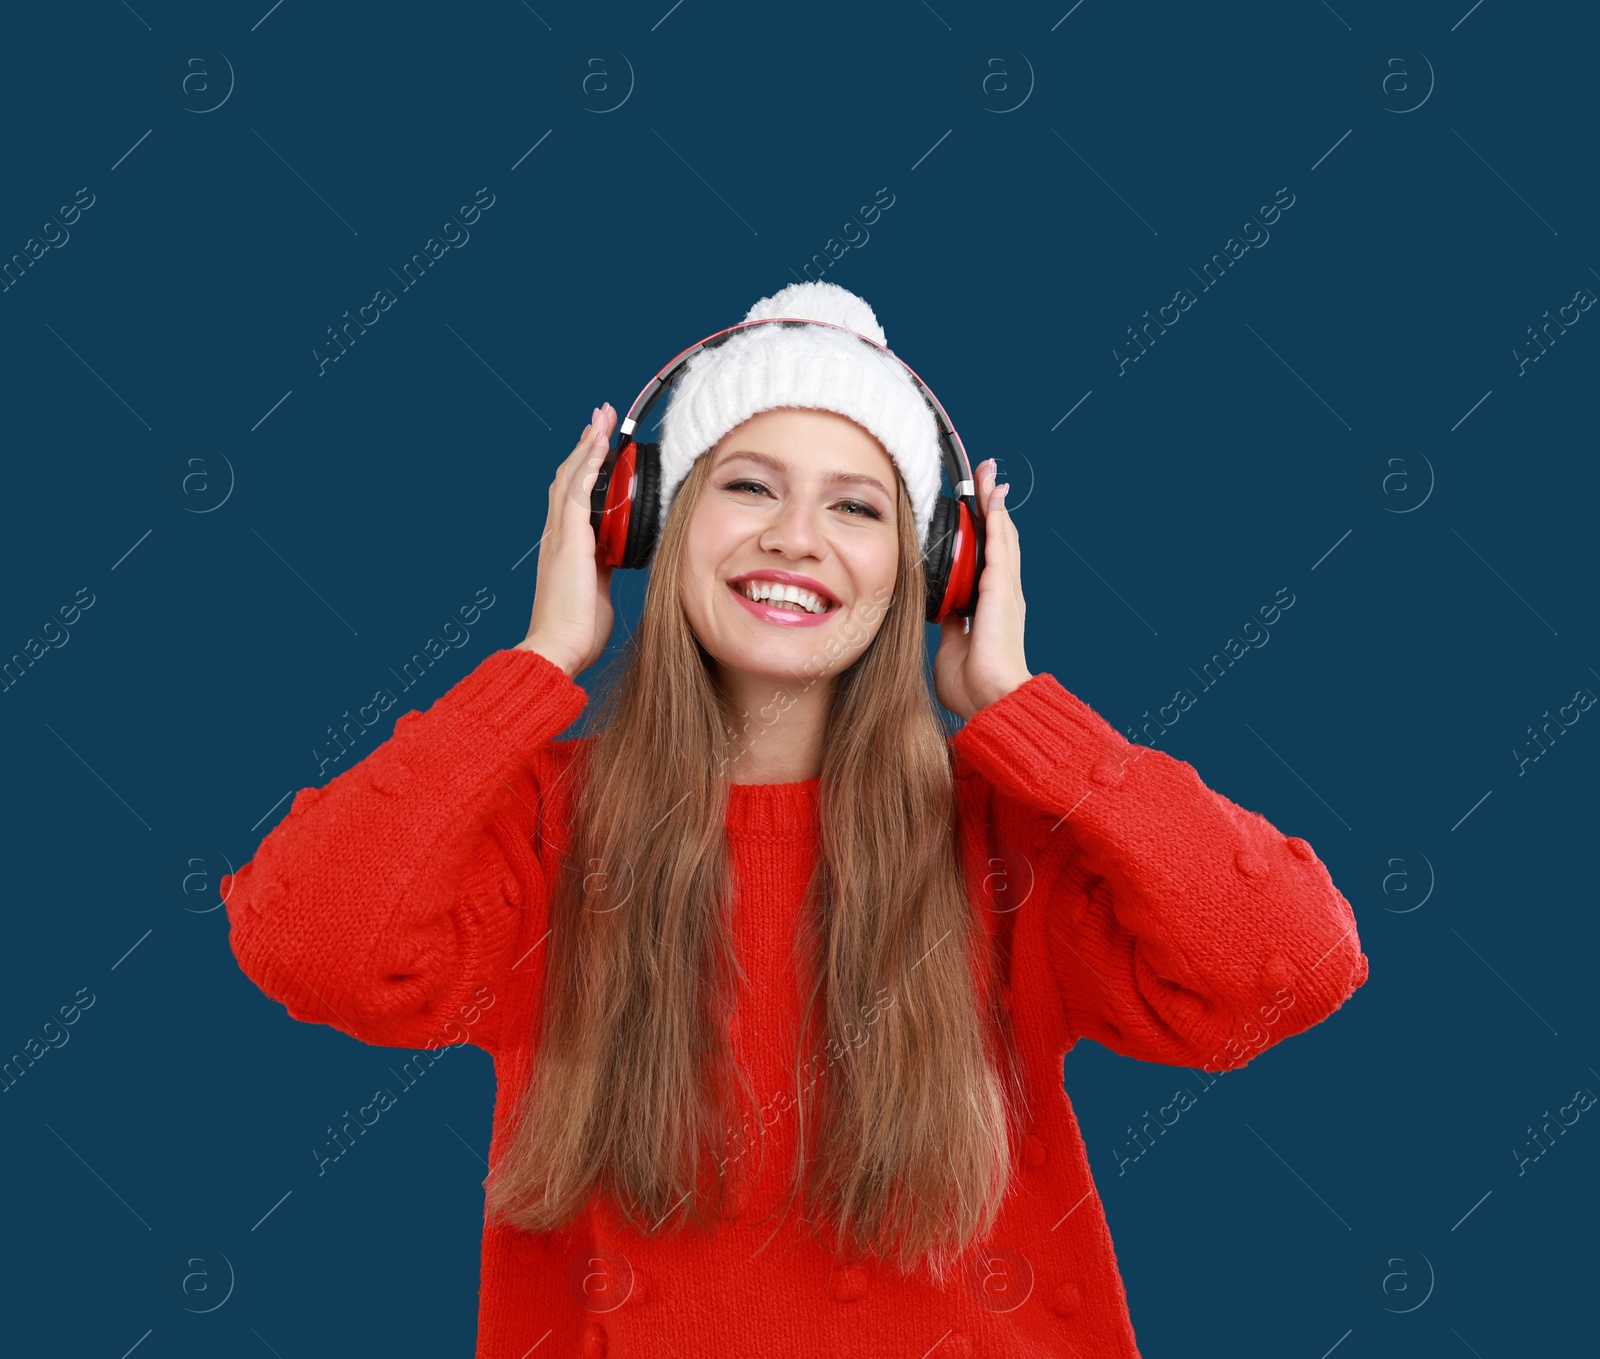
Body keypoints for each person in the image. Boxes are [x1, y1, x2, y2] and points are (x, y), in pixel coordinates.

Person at [222, 283, 1370, 1358]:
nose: (794, 538)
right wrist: (538, 661)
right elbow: (312, 943)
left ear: (937, 569)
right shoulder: (540, 829)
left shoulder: (1004, 839)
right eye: (749, 486)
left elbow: (1289, 966)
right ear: (647, 522)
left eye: (857, 507)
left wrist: (1024, 709)